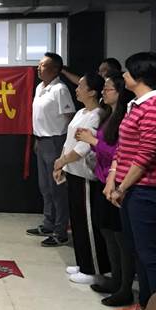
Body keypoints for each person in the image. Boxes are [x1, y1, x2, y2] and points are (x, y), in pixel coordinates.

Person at [107, 52, 156, 310]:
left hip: (146, 191)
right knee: (138, 251)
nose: (124, 75)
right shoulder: (135, 106)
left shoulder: (154, 108)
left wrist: (122, 187)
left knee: (151, 254)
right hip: (130, 189)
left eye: (128, 72)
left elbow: (145, 156)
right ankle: (144, 307)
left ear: (140, 76)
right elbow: (123, 148)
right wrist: (113, 178)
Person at [76, 71, 135, 305]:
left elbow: (119, 153)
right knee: (107, 232)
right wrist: (92, 141)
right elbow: (104, 148)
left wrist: (93, 141)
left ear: (120, 92)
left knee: (121, 238)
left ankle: (125, 287)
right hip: (103, 180)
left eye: (108, 88)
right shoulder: (108, 116)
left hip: (119, 183)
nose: (104, 92)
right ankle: (115, 279)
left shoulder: (124, 118)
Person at [53, 72, 109, 284]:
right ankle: (83, 262)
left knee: (88, 223)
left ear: (92, 92)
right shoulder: (81, 112)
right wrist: (61, 163)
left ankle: (93, 269)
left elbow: (83, 148)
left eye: (81, 86)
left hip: (85, 174)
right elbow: (69, 141)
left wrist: (63, 161)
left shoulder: (97, 115)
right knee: (77, 221)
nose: (76, 89)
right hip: (72, 171)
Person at [26, 52, 75, 247]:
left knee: (58, 189)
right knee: (45, 187)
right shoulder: (40, 87)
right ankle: (48, 224)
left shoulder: (60, 89)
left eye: (43, 65)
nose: (39, 68)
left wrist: (66, 146)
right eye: (38, 65)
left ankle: (60, 231)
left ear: (55, 69)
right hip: (42, 141)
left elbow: (70, 117)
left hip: (56, 142)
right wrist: (37, 139)